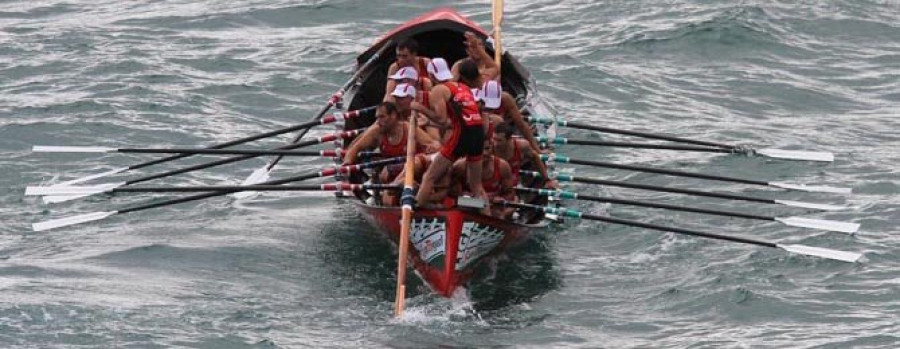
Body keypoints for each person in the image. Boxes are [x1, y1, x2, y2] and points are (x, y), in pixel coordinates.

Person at [412, 59, 488, 213]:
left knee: (429, 177)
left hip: (463, 134)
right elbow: (450, 120)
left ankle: (416, 210)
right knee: (476, 186)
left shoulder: (439, 89)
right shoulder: (463, 87)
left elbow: (440, 119)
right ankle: (488, 216)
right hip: (478, 133)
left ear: (431, 76)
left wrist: (419, 108)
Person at [343, 101, 440, 185]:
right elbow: (355, 148)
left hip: (414, 171)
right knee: (387, 195)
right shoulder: (377, 131)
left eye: (382, 117)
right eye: (377, 118)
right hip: (392, 175)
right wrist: (346, 166)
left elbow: (435, 145)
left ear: (393, 115)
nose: (378, 121)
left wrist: (433, 146)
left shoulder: (408, 128)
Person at [452, 138, 517, 218]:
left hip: (494, 208)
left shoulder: (502, 166)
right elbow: (454, 198)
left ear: (492, 147)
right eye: (478, 149)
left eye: (487, 148)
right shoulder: (459, 167)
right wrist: (480, 203)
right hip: (467, 207)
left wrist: (502, 199)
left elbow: (510, 193)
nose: (484, 153)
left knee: (507, 210)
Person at [479, 80, 542, 153]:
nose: (491, 108)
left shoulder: (506, 98)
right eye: (488, 106)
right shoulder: (476, 102)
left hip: (501, 130)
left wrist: (537, 150)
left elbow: (521, 125)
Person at [491, 122, 557, 189]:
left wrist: (547, 179)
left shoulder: (522, 146)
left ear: (509, 139)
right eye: (494, 139)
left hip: (510, 187)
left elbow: (535, 158)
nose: (495, 144)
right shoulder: (489, 149)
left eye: (499, 140)